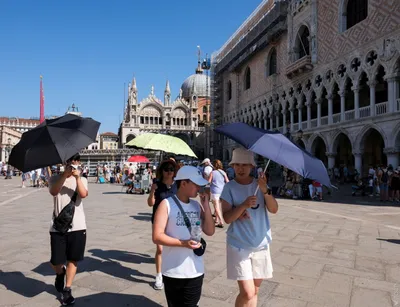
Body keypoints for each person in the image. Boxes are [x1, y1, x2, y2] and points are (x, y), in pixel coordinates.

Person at [220, 148, 278, 307]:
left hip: (261, 244)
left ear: (252, 167)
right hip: (239, 245)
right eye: (237, 164)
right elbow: (226, 218)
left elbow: (274, 209)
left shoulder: (260, 186)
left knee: (254, 292)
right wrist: (242, 206)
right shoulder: (229, 187)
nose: (240, 168)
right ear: (232, 166)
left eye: (245, 165)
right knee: (248, 292)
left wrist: (266, 191)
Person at [152, 166, 215, 307]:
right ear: (184, 183)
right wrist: (183, 243)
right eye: (196, 184)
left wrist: (206, 205)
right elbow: (157, 236)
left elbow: (210, 231)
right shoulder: (166, 204)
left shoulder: (197, 205)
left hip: (195, 270)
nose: (199, 188)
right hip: (173, 271)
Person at [48, 153, 88, 305]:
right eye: (70, 160)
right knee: (56, 261)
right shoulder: (54, 178)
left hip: (77, 225)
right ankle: (60, 273)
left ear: (79, 163)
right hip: (57, 226)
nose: (73, 163)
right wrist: (65, 175)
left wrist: (77, 178)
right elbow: (54, 191)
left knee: (73, 259)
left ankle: (68, 288)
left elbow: (83, 194)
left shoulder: (82, 179)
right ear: (65, 162)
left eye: (76, 160)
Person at [147, 160, 178, 290]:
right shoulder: (157, 184)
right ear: (162, 171)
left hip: (173, 219)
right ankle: (159, 275)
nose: (169, 172)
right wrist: (152, 191)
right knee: (160, 249)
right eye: (166, 169)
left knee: (173, 248)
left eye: (171, 169)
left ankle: (172, 273)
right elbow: (150, 203)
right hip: (158, 219)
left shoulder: (178, 184)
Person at [208, 159, 229, 228]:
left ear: (214, 165)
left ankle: (221, 221)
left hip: (215, 191)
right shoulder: (223, 172)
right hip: (222, 192)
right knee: (218, 206)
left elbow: (209, 181)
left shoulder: (212, 173)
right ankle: (216, 220)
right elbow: (227, 181)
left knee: (216, 207)